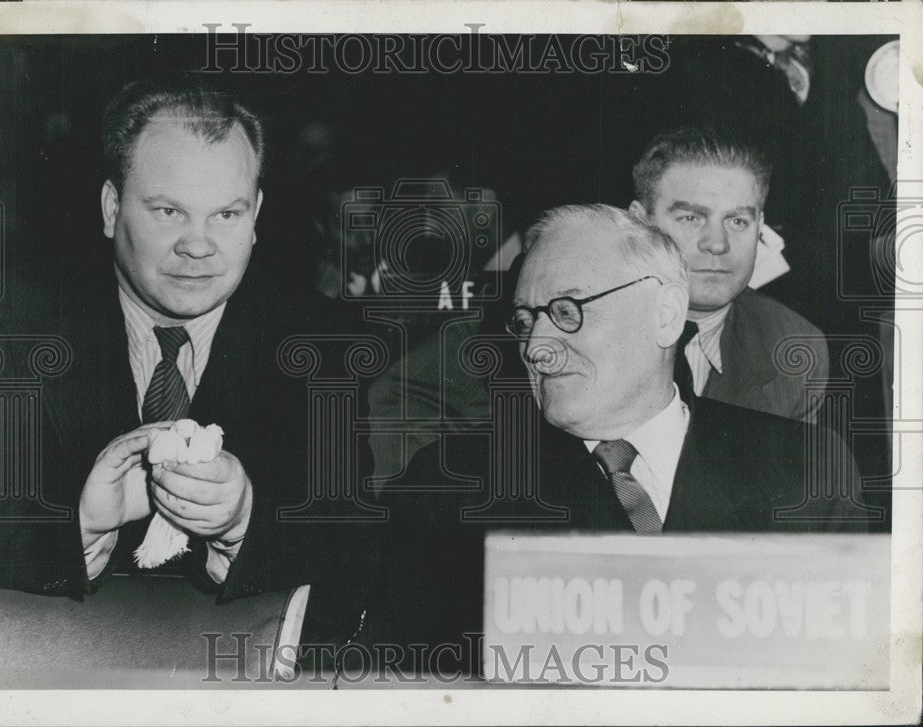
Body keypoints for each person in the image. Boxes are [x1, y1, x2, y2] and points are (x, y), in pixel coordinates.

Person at [368, 204, 870, 667]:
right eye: (525, 321)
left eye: (567, 311)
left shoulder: (803, 470)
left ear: (666, 314)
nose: (537, 347)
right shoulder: (450, 489)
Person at [0, 77, 368, 622]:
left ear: (256, 217)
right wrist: (78, 527)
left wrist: (245, 523)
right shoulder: (3, 338)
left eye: (227, 214)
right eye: (169, 211)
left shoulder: (324, 347)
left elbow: (357, 557)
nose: (199, 245)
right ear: (111, 208)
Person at [629, 127, 828, 422]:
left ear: (760, 227)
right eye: (691, 217)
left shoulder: (794, 349)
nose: (717, 243)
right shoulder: (573, 331)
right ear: (639, 224)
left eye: (737, 220)